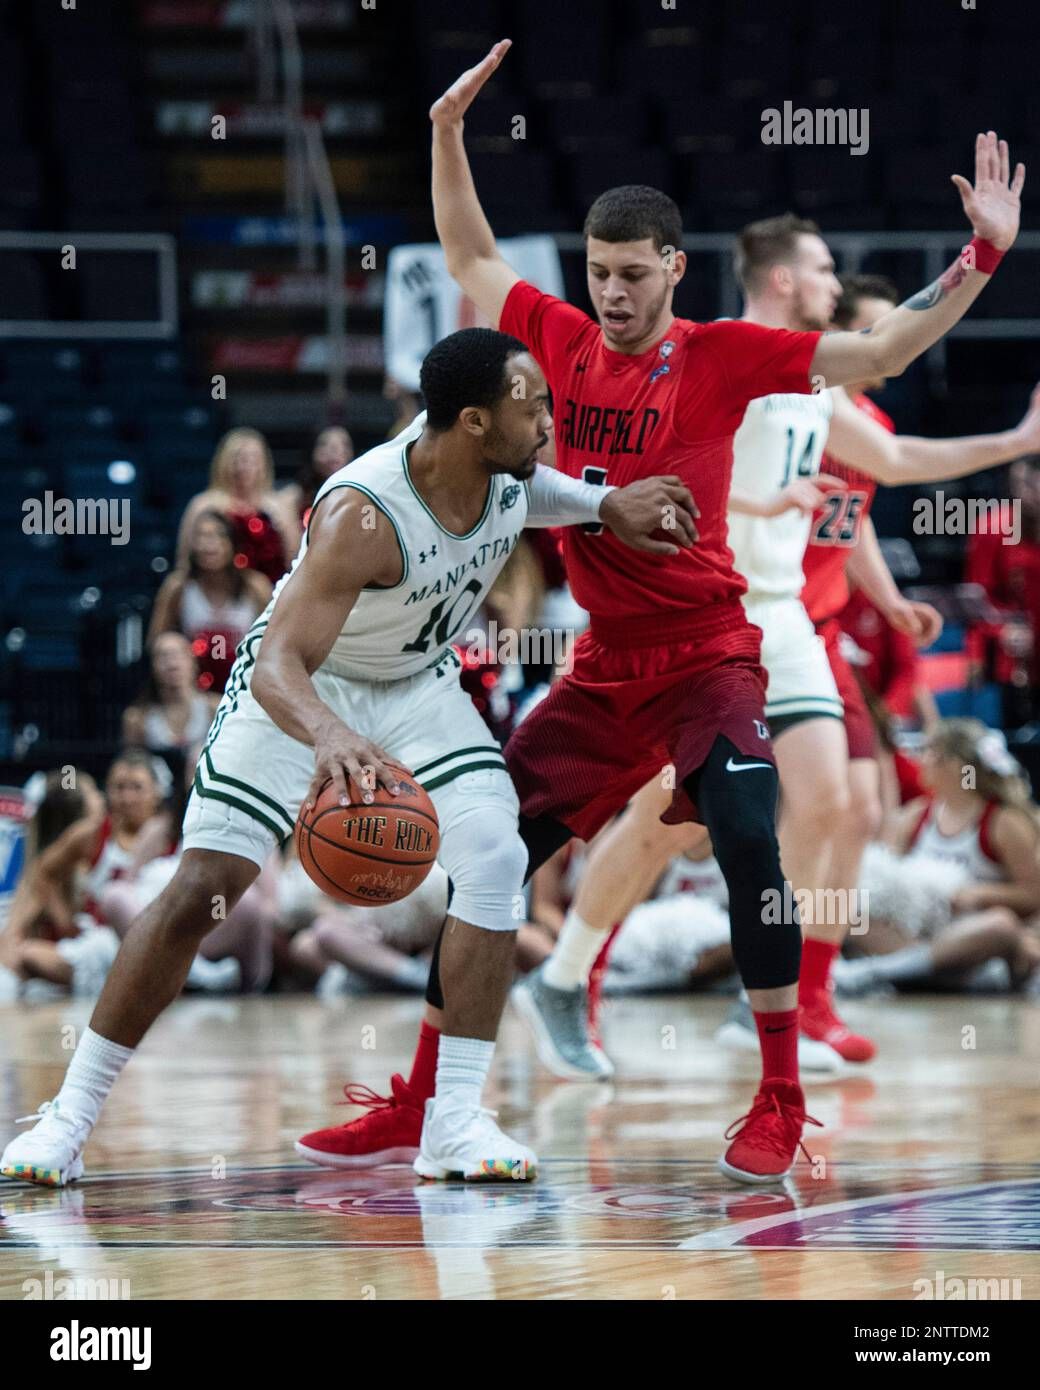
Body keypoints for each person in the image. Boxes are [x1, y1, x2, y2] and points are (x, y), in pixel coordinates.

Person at [293, 41, 1024, 1183]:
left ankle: (779, 1094)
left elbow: (882, 343)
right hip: (600, 668)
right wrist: (443, 135)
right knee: (491, 855)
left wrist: (981, 251)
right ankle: (423, 1094)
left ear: (674, 270)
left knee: (746, 837)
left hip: (708, 657)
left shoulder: (728, 356)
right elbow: (471, 253)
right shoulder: (559, 344)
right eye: (596, 270)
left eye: (632, 272)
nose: (611, 291)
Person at [1, 326, 690, 1188]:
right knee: (204, 886)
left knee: (496, 855)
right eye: (532, 406)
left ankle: (453, 1123)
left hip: (416, 687)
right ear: (474, 422)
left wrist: (606, 504)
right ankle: (66, 1121)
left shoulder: (500, 471)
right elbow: (283, 659)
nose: (549, 421)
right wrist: (328, 735)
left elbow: (534, 494)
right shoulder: (364, 510)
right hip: (300, 685)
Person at [837, 719, 1040, 994]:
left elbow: (1033, 895)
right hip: (921, 937)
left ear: (956, 764)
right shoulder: (918, 814)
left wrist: (979, 894)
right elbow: (890, 876)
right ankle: (915, 971)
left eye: (929, 752)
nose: (920, 760)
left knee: (1001, 925)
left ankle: (880, 973)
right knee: (846, 906)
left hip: (975, 939)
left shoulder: (1003, 821)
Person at [151, 509, 272, 692]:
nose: (209, 544)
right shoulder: (178, 587)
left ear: (232, 544)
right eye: (202, 536)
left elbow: (275, 642)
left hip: (246, 687)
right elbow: (157, 642)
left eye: (218, 536)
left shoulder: (256, 587)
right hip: (194, 691)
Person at [176, 428, 300, 586]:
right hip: (213, 597)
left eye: (252, 459)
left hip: (271, 598)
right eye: (237, 458)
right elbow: (184, 564)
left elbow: (295, 563)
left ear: (264, 464)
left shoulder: (280, 507)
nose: (244, 465)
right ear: (223, 462)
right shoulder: (203, 505)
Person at [122, 632, 219, 761]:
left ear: (193, 662)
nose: (172, 663)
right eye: (163, 657)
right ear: (152, 666)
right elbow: (132, 764)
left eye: (179, 655)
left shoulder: (216, 707)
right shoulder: (137, 718)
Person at [281, 427, 354, 528]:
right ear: (312, 450)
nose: (334, 450)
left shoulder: (360, 496)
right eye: (324, 444)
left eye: (343, 444)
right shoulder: (294, 497)